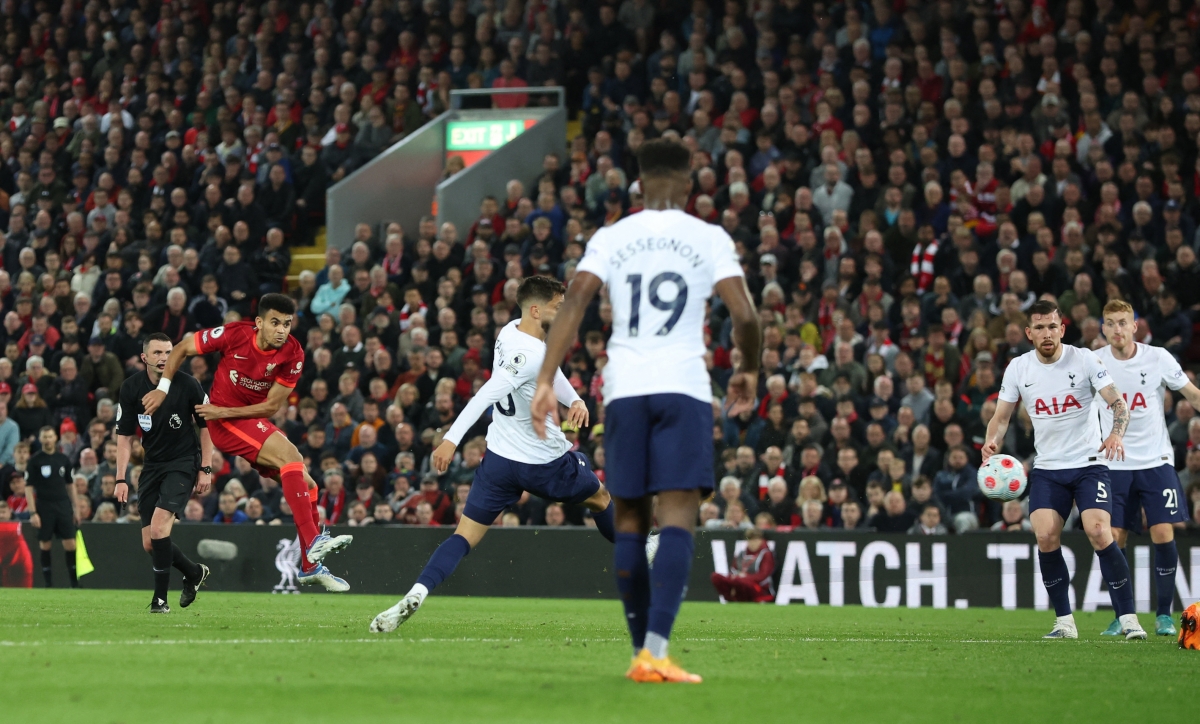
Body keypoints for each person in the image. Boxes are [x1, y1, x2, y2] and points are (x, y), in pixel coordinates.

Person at [531, 139, 761, 683]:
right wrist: (748, 370)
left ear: (638, 183)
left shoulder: (613, 237)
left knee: (630, 519)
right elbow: (745, 316)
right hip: (682, 386)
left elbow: (577, 303)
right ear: (687, 183)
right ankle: (657, 650)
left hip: (625, 388)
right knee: (679, 515)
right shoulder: (708, 236)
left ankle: (641, 654)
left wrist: (546, 380)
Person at [370, 277, 620, 632]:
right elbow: (485, 394)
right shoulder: (528, 354)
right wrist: (451, 439)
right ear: (537, 310)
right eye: (557, 308)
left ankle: (418, 591)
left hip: (499, 461)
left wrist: (575, 399)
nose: (563, 314)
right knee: (600, 497)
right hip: (542, 462)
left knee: (463, 536)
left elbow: (549, 369)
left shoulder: (511, 332)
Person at [140, 294, 353, 591]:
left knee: (309, 484)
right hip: (224, 424)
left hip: (244, 417)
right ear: (259, 323)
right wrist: (163, 389)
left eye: (287, 324)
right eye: (275, 322)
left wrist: (223, 410)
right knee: (291, 457)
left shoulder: (293, 353)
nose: (282, 330)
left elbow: (270, 407)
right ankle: (314, 542)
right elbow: (183, 348)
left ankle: (309, 565)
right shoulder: (234, 334)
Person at [982, 300, 1145, 640]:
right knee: (1044, 536)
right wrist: (991, 444)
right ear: (1029, 333)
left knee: (1100, 532)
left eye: (1052, 327)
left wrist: (1115, 432)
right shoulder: (1018, 368)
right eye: (1039, 328)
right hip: (1048, 468)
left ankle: (1129, 619)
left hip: (1089, 464)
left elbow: (1118, 403)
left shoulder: (1084, 359)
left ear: (1062, 329)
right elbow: (1001, 417)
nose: (1046, 333)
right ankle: (1064, 622)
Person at [1094, 300, 1198, 637]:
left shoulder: (1158, 358)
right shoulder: (1095, 362)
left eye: (1123, 322)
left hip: (1156, 460)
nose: (1118, 329)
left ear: (1135, 325)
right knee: (1115, 537)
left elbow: (1191, 394)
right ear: (1103, 328)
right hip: (1114, 463)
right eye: (1111, 323)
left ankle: (1164, 615)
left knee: (1163, 531)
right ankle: (1121, 615)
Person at [114, 333, 213, 613]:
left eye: (169, 352)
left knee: (158, 529)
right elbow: (124, 436)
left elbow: (207, 427)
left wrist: (205, 467)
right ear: (144, 357)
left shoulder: (188, 384)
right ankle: (193, 572)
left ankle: (160, 601)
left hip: (183, 462)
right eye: (157, 353)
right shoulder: (131, 388)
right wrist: (121, 477)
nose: (164, 358)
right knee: (150, 543)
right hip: (152, 465)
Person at [26, 426, 80, 587]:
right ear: (40, 439)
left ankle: (74, 583)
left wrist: (76, 508)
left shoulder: (63, 459)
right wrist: (33, 512)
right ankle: (48, 584)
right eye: (45, 437)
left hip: (63, 504)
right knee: (45, 543)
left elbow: (71, 485)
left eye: (50, 436)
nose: (48, 440)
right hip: (44, 505)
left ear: (55, 438)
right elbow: (28, 487)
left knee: (70, 543)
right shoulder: (35, 460)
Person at [709, 527, 775, 602]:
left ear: (761, 541)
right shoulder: (741, 554)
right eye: (750, 540)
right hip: (739, 582)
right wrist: (735, 578)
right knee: (716, 577)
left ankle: (741, 598)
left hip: (759, 587)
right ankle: (731, 599)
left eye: (756, 540)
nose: (753, 543)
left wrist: (744, 577)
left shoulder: (766, 554)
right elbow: (733, 570)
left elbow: (763, 576)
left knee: (739, 581)